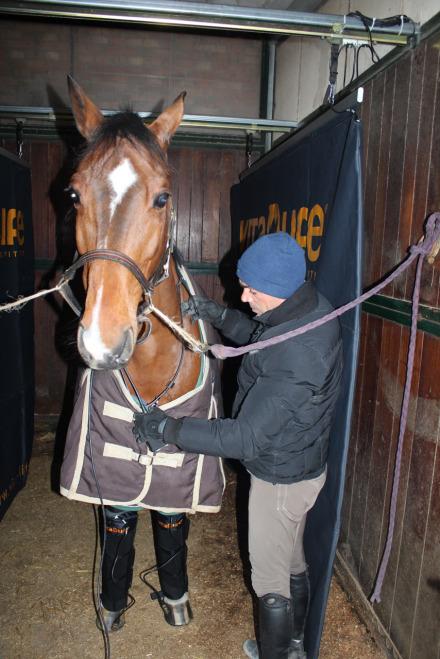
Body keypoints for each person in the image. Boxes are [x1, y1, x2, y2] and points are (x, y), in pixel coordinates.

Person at [133, 232, 343, 659]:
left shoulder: (299, 354)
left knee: (268, 582)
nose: (244, 296)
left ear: (280, 291)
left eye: (252, 289)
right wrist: (218, 314)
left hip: (279, 479)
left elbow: (243, 437)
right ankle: (296, 646)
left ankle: (276, 653)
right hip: (301, 466)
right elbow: (262, 335)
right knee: (291, 563)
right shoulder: (307, 309)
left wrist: (167, 429)